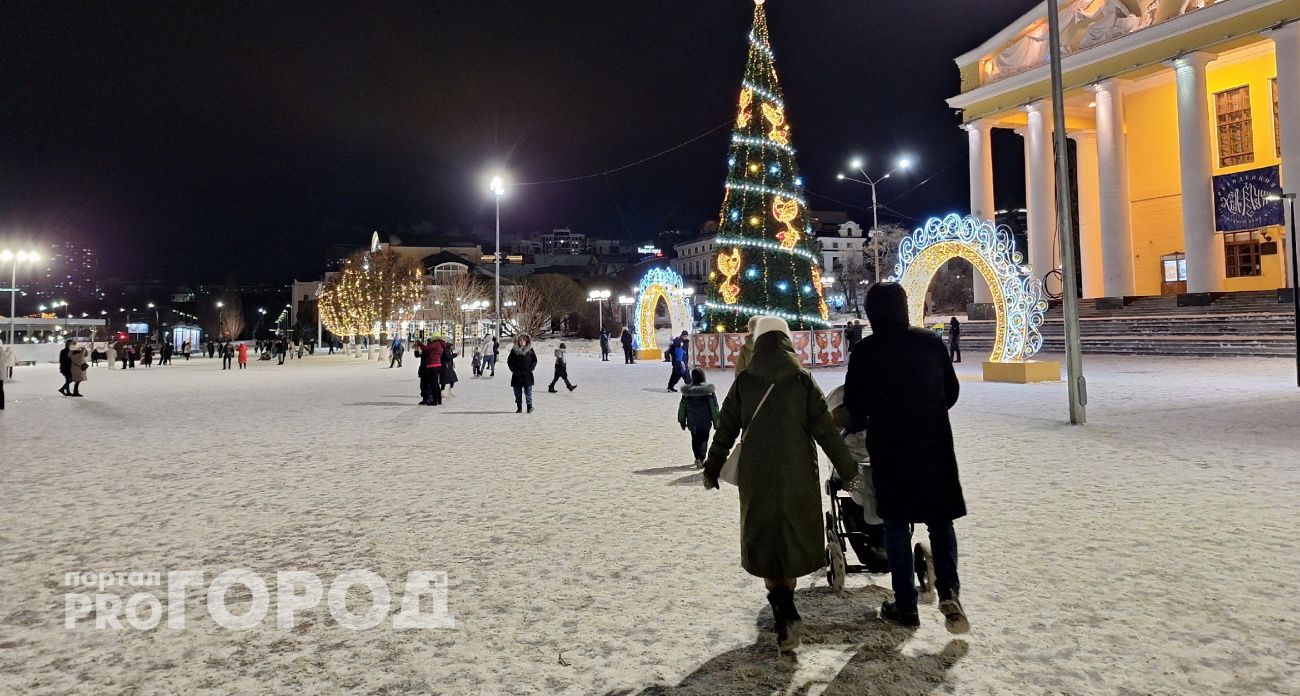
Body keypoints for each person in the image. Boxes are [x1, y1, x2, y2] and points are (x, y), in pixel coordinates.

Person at [701, 317, 858, 652]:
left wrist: (712, 467)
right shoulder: (802, 379)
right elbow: (826, 432)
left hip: (757, 475)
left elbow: (725, 428)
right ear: (787, 341)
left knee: (767, 540)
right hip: (797, 472)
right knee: (791, 538)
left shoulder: (745, 381)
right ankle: (787, 611)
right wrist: (849, 468)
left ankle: (784, 612)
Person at [844, 282, 968, 634]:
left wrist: (863, 421)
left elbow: (854, 406)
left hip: (891, 448)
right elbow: (952, 391)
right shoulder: (930, 343)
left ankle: (905, 604)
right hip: (933, 445)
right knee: (940, 521)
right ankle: (949, 592)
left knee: (896, 526)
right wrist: (927, 409)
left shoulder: (866, 351)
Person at [677, 367, 719, 468]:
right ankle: (701, 458)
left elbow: (682, 407)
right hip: (705, 423)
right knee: (704, 440)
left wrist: (682, 420)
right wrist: (717, 422)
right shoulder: (708, 392)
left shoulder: (687, 393)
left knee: (695, 440)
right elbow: (714, 407)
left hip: (693, 423)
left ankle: (697, 458)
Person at [507, 333, 538, 413]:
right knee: (517, 392)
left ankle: (529, 406)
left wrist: (531, 367)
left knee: (528, 391)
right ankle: (519, 407)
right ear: (517, 341)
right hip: (517, 375)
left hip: (527, 374)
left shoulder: (530, 350)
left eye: (523, 340)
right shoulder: (514, 351)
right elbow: (509, 361)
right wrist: (513, 369)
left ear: (526, 341)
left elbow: (534, 360)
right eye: (520, 340)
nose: (522, 341)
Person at [417, 334, 449, 405]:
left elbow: (425, 348)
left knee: (433, 384)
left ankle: (435, 401)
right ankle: (438, 399)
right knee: (435, 383)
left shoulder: (436, 343)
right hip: (436, 365)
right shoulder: (439, 344)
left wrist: (419, 343)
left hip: (433, 365)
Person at [0, 343, 16, 410]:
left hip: (1, 373)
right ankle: (1, 405)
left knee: (0, 390)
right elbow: (5, 361)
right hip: (1, 374)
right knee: (1, 389)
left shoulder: (2, 352)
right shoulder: (3, 352)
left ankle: (1, 405)